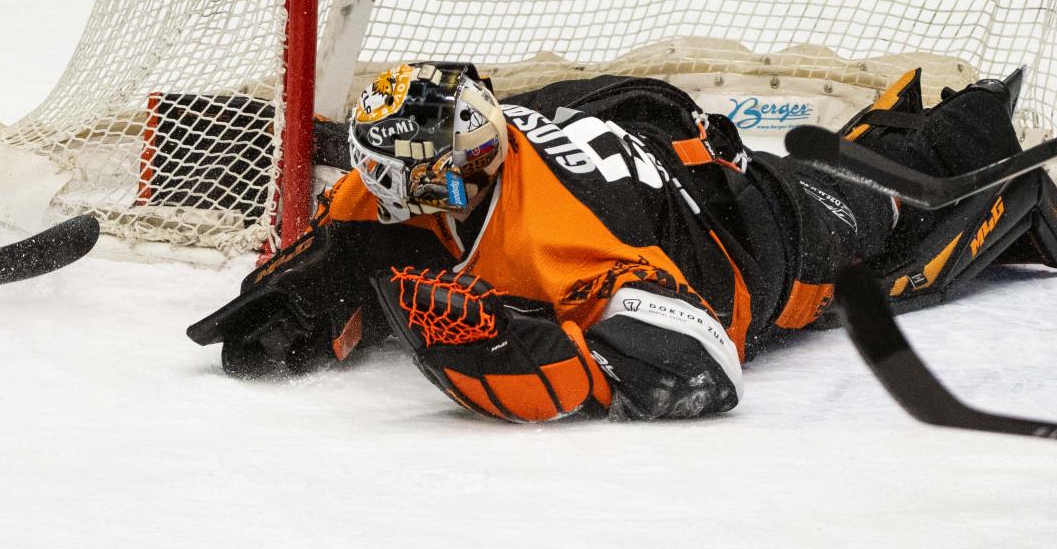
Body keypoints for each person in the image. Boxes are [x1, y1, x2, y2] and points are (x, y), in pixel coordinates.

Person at [190, 61, 1057, 421]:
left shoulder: (567, 241)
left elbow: (708, 366)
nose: (471, 161)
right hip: (649, 151)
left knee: (886, 211)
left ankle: (994, 156)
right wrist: (299, 302)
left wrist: (516, 344)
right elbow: (359, 231)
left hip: (759, 231)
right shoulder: (418, 170)